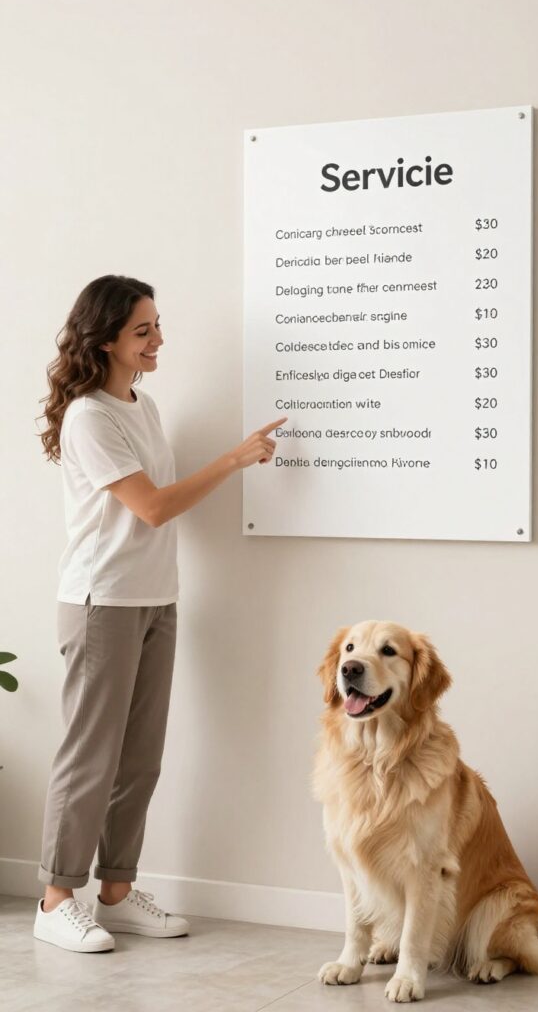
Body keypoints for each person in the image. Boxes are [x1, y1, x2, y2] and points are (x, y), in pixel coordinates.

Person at [33, 274, 285, 952]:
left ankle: (116, 893)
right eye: (143, 330)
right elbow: (152, 507)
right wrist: (234, 459)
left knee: (140, 759)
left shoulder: (141, 406)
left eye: (157, 326)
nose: (157, 340)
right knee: (90, 757)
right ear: (105, 339)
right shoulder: (90, 416)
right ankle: (56, 900)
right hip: (101, 603)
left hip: (155, 598)